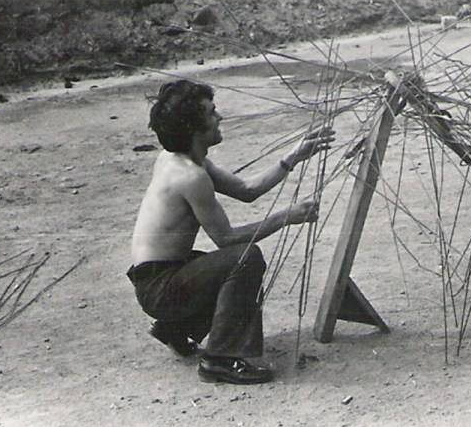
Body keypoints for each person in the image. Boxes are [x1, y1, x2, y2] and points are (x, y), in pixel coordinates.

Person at [127, 79, 334, 385]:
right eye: (212, 113)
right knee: (243, 259)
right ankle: (219, 359)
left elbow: (246, 190)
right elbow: (226, 239)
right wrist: (285, 218)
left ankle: (176, 327)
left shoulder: (180, 159)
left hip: (159, 278)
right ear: (195, 128)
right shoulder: (190, 176)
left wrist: (293, 157)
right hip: (160, 287)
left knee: (221, 266)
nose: (220, 118)